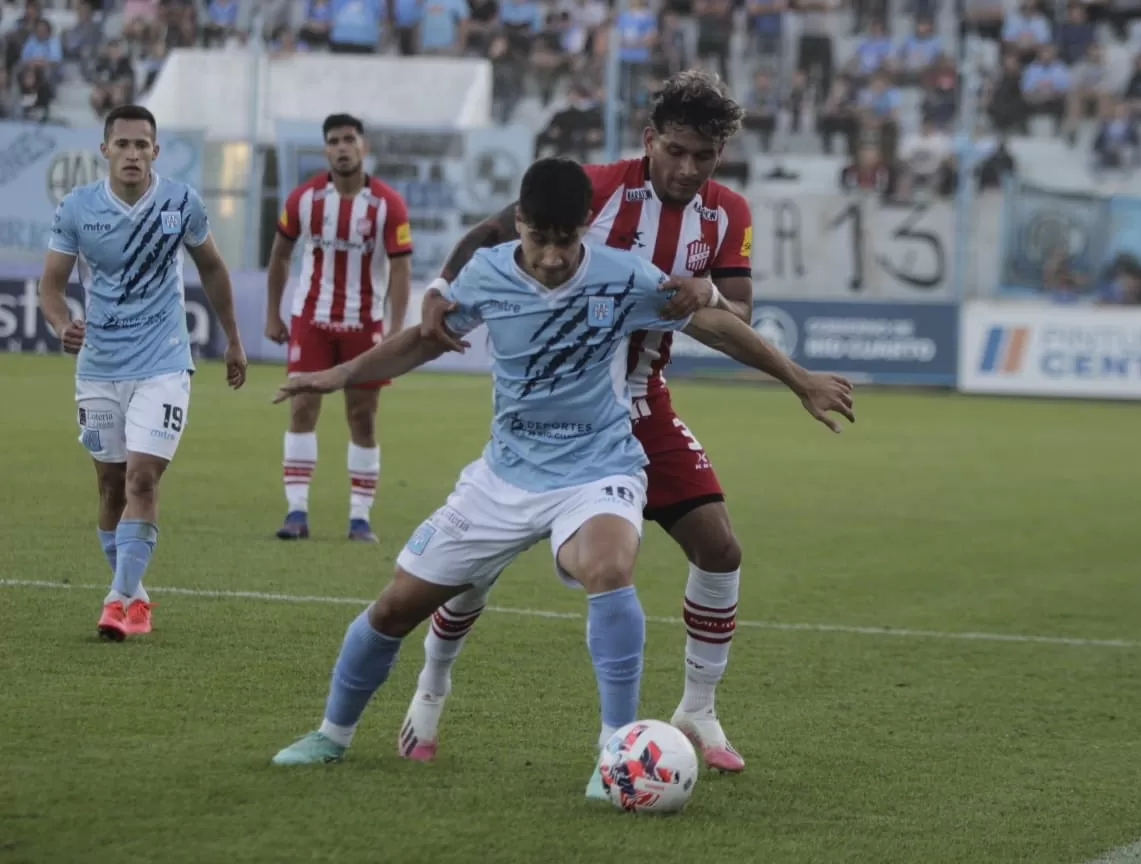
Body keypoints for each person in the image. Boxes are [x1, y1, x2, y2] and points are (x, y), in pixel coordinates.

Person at [268, 158, 854, 804]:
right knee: (393, 608)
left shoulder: (623, 275)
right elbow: (423, 342)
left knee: (608, 567)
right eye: (538, 238)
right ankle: (332, 733)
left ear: (584, 230)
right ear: (518, 224)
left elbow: (716, 325)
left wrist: (799, 378)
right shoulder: (488, 274)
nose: (550, 257)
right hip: (503, 474)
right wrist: (338, 375)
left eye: (565, 240)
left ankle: (614, 750)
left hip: (597, 469)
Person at [416, 69, 765, 774]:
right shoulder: (596, 188)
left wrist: (709, 297)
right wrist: (439, 288)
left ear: (719, 155)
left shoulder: (728, 213)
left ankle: (697, 707)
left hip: (642, 404)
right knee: (472, 573)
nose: (687, 168)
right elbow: (494, 229)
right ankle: (428, 692)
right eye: (675, 150)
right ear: (649, 141)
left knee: (719, 547)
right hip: (552, 409)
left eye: (703, 156)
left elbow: (739, 311)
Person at [36, 104, 248, 641]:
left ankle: (115, 601)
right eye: (123, 144)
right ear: (104, 150)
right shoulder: (77, 209)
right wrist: (62, 324)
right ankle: (137, 596)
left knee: (142, 478)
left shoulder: (180, 203)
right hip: (99, 367)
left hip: (163, 362)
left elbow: (214, 268)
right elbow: (51, 287)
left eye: (142, 145)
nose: (133, 153)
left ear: (156, 150)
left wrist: (234, 340)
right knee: (109, 488)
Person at [265, 113, 414, 543]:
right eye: (334, 141)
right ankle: (296, 512)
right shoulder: (303, 199)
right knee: (302, 408)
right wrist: (273, 314)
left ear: (363, 147)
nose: (342, 147)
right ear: (325, 149)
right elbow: (279, 256)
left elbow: (402, 271)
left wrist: (398, 328)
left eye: (350, 139)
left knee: (362, 416)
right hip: (311, 320)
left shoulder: (388, 204)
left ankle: (360, 518)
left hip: (363, 324)